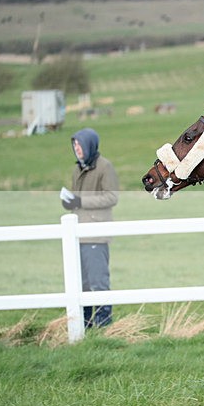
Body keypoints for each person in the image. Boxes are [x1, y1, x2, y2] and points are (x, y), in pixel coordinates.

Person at [61, 128, 119, 328]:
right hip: (77, 233)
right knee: (81, 284)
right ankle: (84, 326)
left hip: (96, 234)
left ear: (89, 144)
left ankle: (104, 325)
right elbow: (78, 200)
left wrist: (80, 201)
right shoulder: (77, 169)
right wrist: (70, 203)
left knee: (98, 282)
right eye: (74, 145)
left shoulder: (105, 167)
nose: (76, 149)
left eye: (79, 144)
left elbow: (112, 197)